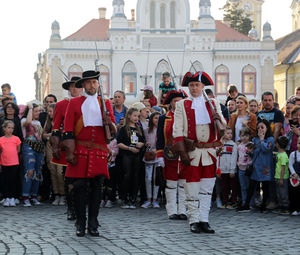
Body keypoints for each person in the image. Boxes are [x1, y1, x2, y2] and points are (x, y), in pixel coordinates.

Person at [62, 70, 116, 237]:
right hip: (80, 151)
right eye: (88, 83)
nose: (92, 86)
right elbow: (68, 129)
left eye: (94, 83)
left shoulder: (105, 103)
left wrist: (110, 124)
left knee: (96, 190)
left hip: (99, 152)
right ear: (83, 85)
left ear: (98, 84)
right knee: (79, 189)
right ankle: (80, 222)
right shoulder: (75, 102)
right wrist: (70, 152)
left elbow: (112, 132)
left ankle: (93, 223)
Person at [172, 71, 226, 234]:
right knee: (192, 188)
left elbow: (223, 126)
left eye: (197, 85)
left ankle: (204, 219)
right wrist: (182, 153)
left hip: (209, 152)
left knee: (207, 188)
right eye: (191, 85)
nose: (194, 88)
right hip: (192, 152)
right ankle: (194, 220)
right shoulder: (182, 105)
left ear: (203, 87)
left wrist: (219, 119)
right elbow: (177, 131)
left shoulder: (213, 103)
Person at [50, 76, 82, 220]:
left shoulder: (88, 102)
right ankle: (70, 208)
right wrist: (56, 146)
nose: (73, 89)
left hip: (82, 144)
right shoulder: (62, 104)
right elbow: (56, 126)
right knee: (68, 179)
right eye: (71, 86)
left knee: (83, 179)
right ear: (68, 89)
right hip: (67, 144)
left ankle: (82, 207)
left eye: (76, 86)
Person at [156, 89, 188, 219]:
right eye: (175, 101)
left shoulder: (188, 117)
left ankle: (183, 210)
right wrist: (159, 156)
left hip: (185, 155)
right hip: (169, 156)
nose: (178, 103)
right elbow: (159, 138)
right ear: (171, 103)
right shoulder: (164, 118)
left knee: (183, 184)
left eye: (181, 101)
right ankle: (172, 210)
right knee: (171, 184)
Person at [238, 119, 275, 212]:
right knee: (252, 186)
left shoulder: (270, 139)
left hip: (266, 166)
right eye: (258, 127)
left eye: (262, 127)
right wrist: (250, 152)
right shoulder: (254, 139)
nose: (260, 129)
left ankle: (263, 206)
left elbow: (267, 149)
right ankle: (246, 204)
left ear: (267, 128)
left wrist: (262, 140)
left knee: (265, 186)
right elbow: (254, 153)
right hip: (256, 166)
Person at [117, 108, 145, 209]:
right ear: (129, 116)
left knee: (136, 176)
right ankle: (125, 198)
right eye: (134, 116)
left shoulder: (139, 128)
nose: (136, 118)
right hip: (127, 155)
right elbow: (119, 143)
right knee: (127, 175)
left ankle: (133, 198)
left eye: (137, 116)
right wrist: (129, 148)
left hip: (137, 155)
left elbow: (143, 141)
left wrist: (141, 144)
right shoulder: (124, 129)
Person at [21, 103, 44, 207]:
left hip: (39, 148)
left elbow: (41, 136)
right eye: (35, 111)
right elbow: (28, 122)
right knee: (29, 171)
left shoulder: (38, 122)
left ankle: (33, 196)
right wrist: (30, 108)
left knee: (38, 172)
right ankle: (25, 196)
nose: (37, 113)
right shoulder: (23, 120)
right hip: (28, 147)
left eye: (38, 111)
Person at [43, 103, 65, 206]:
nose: (49, 113)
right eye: (48, 111)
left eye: (51, 111)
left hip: (60, 146)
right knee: (52, 170)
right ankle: (56, 194)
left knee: (59, 171)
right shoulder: (48, 122)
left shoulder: (62, 121)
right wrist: (51, 134)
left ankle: (63, 194)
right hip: (50, 146)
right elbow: (43, 134)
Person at [141, 111, 161, 208]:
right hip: (149, 157)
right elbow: (143, 141)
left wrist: (157, 149)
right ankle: (149, 199)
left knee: (156, 178)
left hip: (158, 156)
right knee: (148, 178)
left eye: (158, 118)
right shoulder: (146, 130)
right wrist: (146, 144)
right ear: (152, 119)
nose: (157, 120)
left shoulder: (162, 130)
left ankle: (155, 199)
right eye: (155, 118)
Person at [0, 120, 21, 207]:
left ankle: (12, 198)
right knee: (5, 181)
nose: (11, 130)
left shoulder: (16, 139)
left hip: (14, 163)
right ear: (4, 128)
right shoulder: (1, 139)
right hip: (4, 163)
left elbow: (18, 150)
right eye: (8, 127)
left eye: (12, 128)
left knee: (13, 180)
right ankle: (6, 197)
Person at [218, 126, 238, 209]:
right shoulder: (219, 145)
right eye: (228, 133)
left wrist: (232, 170)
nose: (230, 135)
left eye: (231, 133)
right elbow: (217, 158)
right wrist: (218, 170)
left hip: (230, 170)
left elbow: (234, 158)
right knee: (224, 187)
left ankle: (233, 202)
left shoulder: (233, 145)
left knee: (233, 186)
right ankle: (225, 202)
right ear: (223, 134)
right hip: (222, 170)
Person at [273, 136, 289, 215]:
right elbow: (277, 154)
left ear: (278, 145)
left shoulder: (283, 156)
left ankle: (285, 208)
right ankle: (281, 206)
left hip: (282, 178)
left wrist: (282, 179)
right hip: (277, 177)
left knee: (283, 193)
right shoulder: (280, 154)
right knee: (279, 193)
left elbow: (283, 168)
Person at [236, 127, 252, 207]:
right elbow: (237, 156)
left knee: (249, 186)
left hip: (248, 168)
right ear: (240, 136)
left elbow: (253, 156)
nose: (244, 137)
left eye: (246, 135)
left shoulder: (251, 145)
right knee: (243, 186)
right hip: (241, 168)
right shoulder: (239, 146)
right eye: (242, 135)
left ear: (249, 136)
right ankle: (244, 201)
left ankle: (250, 202)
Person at [288, 136, 300, 215]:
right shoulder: (293, 154)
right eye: (299, 143)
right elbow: (290, 165)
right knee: (294, 193)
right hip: (295, 177)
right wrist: (294, 173)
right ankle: (295, 208)